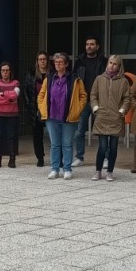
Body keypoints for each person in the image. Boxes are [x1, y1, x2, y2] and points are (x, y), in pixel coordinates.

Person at [38, 52, 87, 180]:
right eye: (56, 62)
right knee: (54, 144)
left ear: (66, 64)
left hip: (68, 117)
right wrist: (42, 108)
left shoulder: (75, 79)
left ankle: (67, 169)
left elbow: (83, 96)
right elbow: (41, 95)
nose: (58, 64)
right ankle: (54, 169)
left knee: (67, 144)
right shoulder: (49, 79)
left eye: (60, 62)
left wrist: (77, 109)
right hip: (52, 117)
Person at [90, 55, 131, 181]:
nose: (112, 65)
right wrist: (96, 107)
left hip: (116, 118)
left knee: (113, 146)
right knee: (102, 146)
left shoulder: (123, 81)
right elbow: (93, 94)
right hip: (102, 117)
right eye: (110, 63)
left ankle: (110, 171)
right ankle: (98, 170)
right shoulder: (99, 79)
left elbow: (127, 98)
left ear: (119, 66)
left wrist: (122, 110)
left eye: (115, 64)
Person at [72, 36, 107, 168]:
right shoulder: (79, 61)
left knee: (102, 130)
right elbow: (74, 79)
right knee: (80, 130)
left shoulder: (104, 61)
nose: (89, 46)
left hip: (99, 99)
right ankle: (79, 157)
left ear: (97, 46)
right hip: (84, 99)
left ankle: (105, 158)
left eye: (92, 44)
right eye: (87, 44)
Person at [0, 62, 21, 168]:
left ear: (10, 71)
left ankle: (12, 159)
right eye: (3, 70)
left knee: (12, 136)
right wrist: (9, 97)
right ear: (0, 72)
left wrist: (2, 94)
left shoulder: (16, 82)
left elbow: (15, 95)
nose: (5, 72)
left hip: (12, 113)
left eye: (7, 70)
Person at [24, 51, 50, 167]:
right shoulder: (31, 74)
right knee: (37, 135)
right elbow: (26, 92)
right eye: (40, 59)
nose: (42, 61)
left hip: (51, 108)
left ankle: (56, 157)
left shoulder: (52, 73)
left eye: (44, 59)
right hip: (36, 108)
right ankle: (40, 157)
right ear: (37, 61)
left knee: (52, 134)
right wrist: (30, 106)